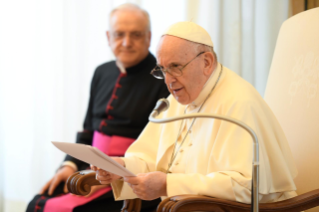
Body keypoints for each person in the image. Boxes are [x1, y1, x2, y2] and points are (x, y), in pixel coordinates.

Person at [94, 21, 298, 204]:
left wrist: (168, 185)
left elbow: (247, 187)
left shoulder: (239, 102)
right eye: (163, 70)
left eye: (175, 67)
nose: (168, 80)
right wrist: (121, 167)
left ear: (207, 62)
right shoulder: (177, 99)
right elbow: (152, 160)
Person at [26, 3, 169, 212]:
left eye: (136, 35)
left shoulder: (164, 78)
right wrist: (69, 166)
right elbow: (88, 132)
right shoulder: (102, 72)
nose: (127, 42)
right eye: (119, 34)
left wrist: (116, 171)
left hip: (130, 178)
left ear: (149, 38)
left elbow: (161, 147)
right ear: (108, 37)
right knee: (37, 204)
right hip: (89, 168)